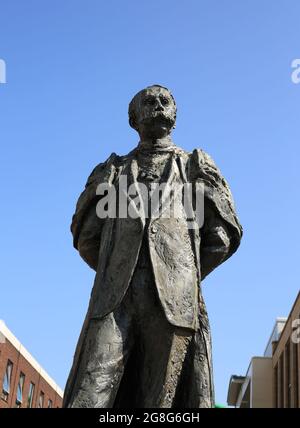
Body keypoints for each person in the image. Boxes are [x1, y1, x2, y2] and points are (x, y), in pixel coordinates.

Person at [63, 85, 242, 408]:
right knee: (91, 391)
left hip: (175, 299)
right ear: (133, 117)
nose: (158, 106)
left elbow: (220, 239)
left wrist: (183, 272)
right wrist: (118, 266)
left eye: (165, 102)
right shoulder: (113, 170)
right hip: (115, 297)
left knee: (162, 400)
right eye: (148, 102)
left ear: (174, 115)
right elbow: (87, 237)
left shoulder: (193, 166)